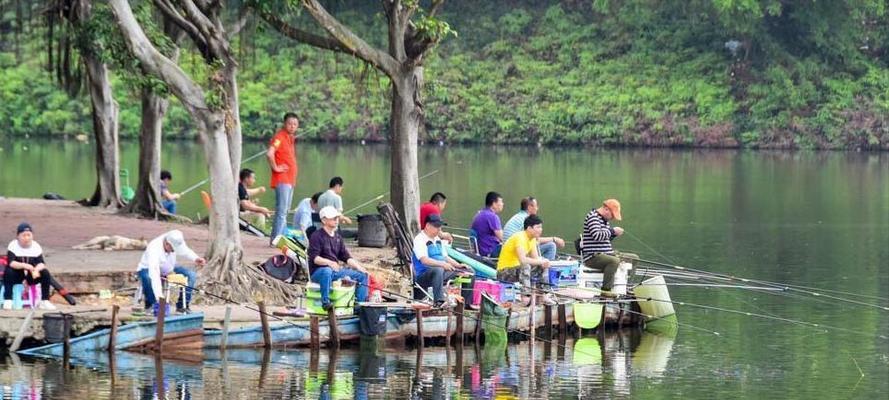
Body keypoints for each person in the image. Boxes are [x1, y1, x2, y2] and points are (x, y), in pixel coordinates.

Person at [308, 206, 368, 310]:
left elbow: (346, 257)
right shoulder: (316, 236)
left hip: (335, 272)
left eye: (337, 218)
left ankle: (359, 305)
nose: (336, 220)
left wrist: (358, 267)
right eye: (333, 218)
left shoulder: (338, 237)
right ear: (324, 220)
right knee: (326, 271)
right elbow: (315, 258)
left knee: (362, 275)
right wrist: (329, 263)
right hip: (318, 272)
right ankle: (325, 302)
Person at [136, 230, 206, 313]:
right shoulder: (154, 249)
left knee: (191, 275)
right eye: (173, 249)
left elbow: (185, 250)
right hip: (148, 268)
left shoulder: (175, 237)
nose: (174, 251)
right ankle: (152, 305)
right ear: (167, 244)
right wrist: (160, 298)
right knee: (148, 278)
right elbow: (154, 274)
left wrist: (195, 258)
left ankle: (182, 306)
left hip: (169, 267)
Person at [496, 215, 556, 305]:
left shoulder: (532, 239)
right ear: (529, 228)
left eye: (541, 227)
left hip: (518, 270)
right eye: (538, 227)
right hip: (504, 271)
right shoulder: (519, 237)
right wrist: (541, 261)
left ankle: (542, 295)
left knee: (542, 266)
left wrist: (544, 262)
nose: (541, 230)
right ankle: (525, 297)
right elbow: (523, 260)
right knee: (525, 266)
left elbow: (536, 259)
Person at [412, 214, 469, 307]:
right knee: (438, 269)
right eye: (437, 226)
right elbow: (424, 260)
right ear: (427, 226)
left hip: (443, 271)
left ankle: (465, 303)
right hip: (424, 275)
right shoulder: (419, 239)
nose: (439, 229)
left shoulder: (438, 239)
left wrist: (458, 265)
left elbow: (446, 257)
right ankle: (439, 301)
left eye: (440, 227)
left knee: (469, 272)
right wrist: (442, 264)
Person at [3, 223, 56, 310]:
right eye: (23, 235)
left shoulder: (36, 246)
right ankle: (8, 299)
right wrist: (25, 265)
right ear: (18, 236)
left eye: (29, 235)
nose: (26, 238)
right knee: (9, 271)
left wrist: (37, 268)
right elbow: (11, 263)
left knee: (45, 273)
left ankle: (44, 301)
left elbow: (41, 263)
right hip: (18, 275)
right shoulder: (13, 245)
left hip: (31, 276)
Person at [267, 112, 300, 245]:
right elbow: (270, 153)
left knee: (284, 211)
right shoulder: (279, 137)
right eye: (290, 123)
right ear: (284, 124)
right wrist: (275, 167)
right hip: (283, 179)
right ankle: (277, 241)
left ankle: (277, 239)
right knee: (281, 211)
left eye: (295, 124)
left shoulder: (290, 138)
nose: (292, 126)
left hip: (290, 180)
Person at [581, 199, 625, 292]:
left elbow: (605, 239)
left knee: (633, 258)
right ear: (606, 209)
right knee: (614, 261)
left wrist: (613, 234)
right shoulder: (593, 217)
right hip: (593, 256)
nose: (612, 218)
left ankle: (628, 287)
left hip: (605, 254)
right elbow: (597, 235)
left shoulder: (604, 220)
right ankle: (606, 291)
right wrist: (612, 231)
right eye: (612, 215)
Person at [470, 191, 505, 257]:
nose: (503, 204)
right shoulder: (492, 216)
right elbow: (503, 238)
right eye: (501, 202)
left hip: (480, 250)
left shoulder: (480, 213)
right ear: (494, 204)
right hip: (489, 251)